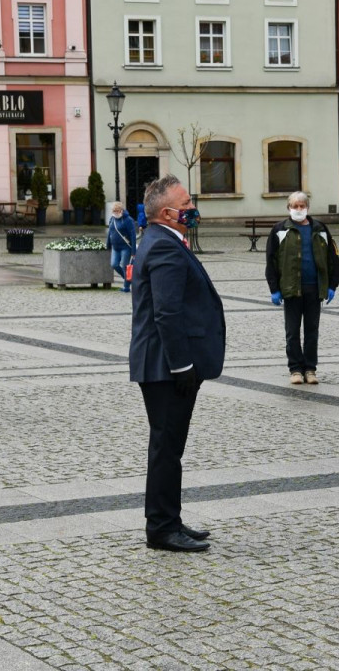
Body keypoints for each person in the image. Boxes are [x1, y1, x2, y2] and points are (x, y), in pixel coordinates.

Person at [129, 175, 224, 553]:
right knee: (167, 448)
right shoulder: (164, 246)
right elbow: (166, 313)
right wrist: (182, 365)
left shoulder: (162, 240)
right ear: (167, 213)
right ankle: (162, 528)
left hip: (165, 364)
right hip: (166, 367)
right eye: (185, 204)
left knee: (170, 447)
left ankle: (170, 517)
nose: (191, 208)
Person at [265, 192, 339, 385]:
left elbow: (332, 258)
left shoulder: (320, 228)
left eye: (302, 206)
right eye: (295, 206)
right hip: (291, 289)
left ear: (308, 207)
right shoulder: (280, 230)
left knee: (311, 331)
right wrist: (274, 288)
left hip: (314, 289)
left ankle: (310, 368)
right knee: (292, 332)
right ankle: (295, 369)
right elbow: (271, 261)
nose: (298, 209)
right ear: (288, 208)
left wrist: (332, 284)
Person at [107, 201, 137, 293]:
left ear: (121, 210)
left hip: (125, 247)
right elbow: (110, 232)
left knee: (125, 266)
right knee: (114, 264)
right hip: (115, 247)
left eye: (117, 210)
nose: (115, 212)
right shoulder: (112, 219)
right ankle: (128, 280)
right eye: (113, 211)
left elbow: (133, 235)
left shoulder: (128, 220)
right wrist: (108, 244)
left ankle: (126, 287)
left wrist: (133, 252)